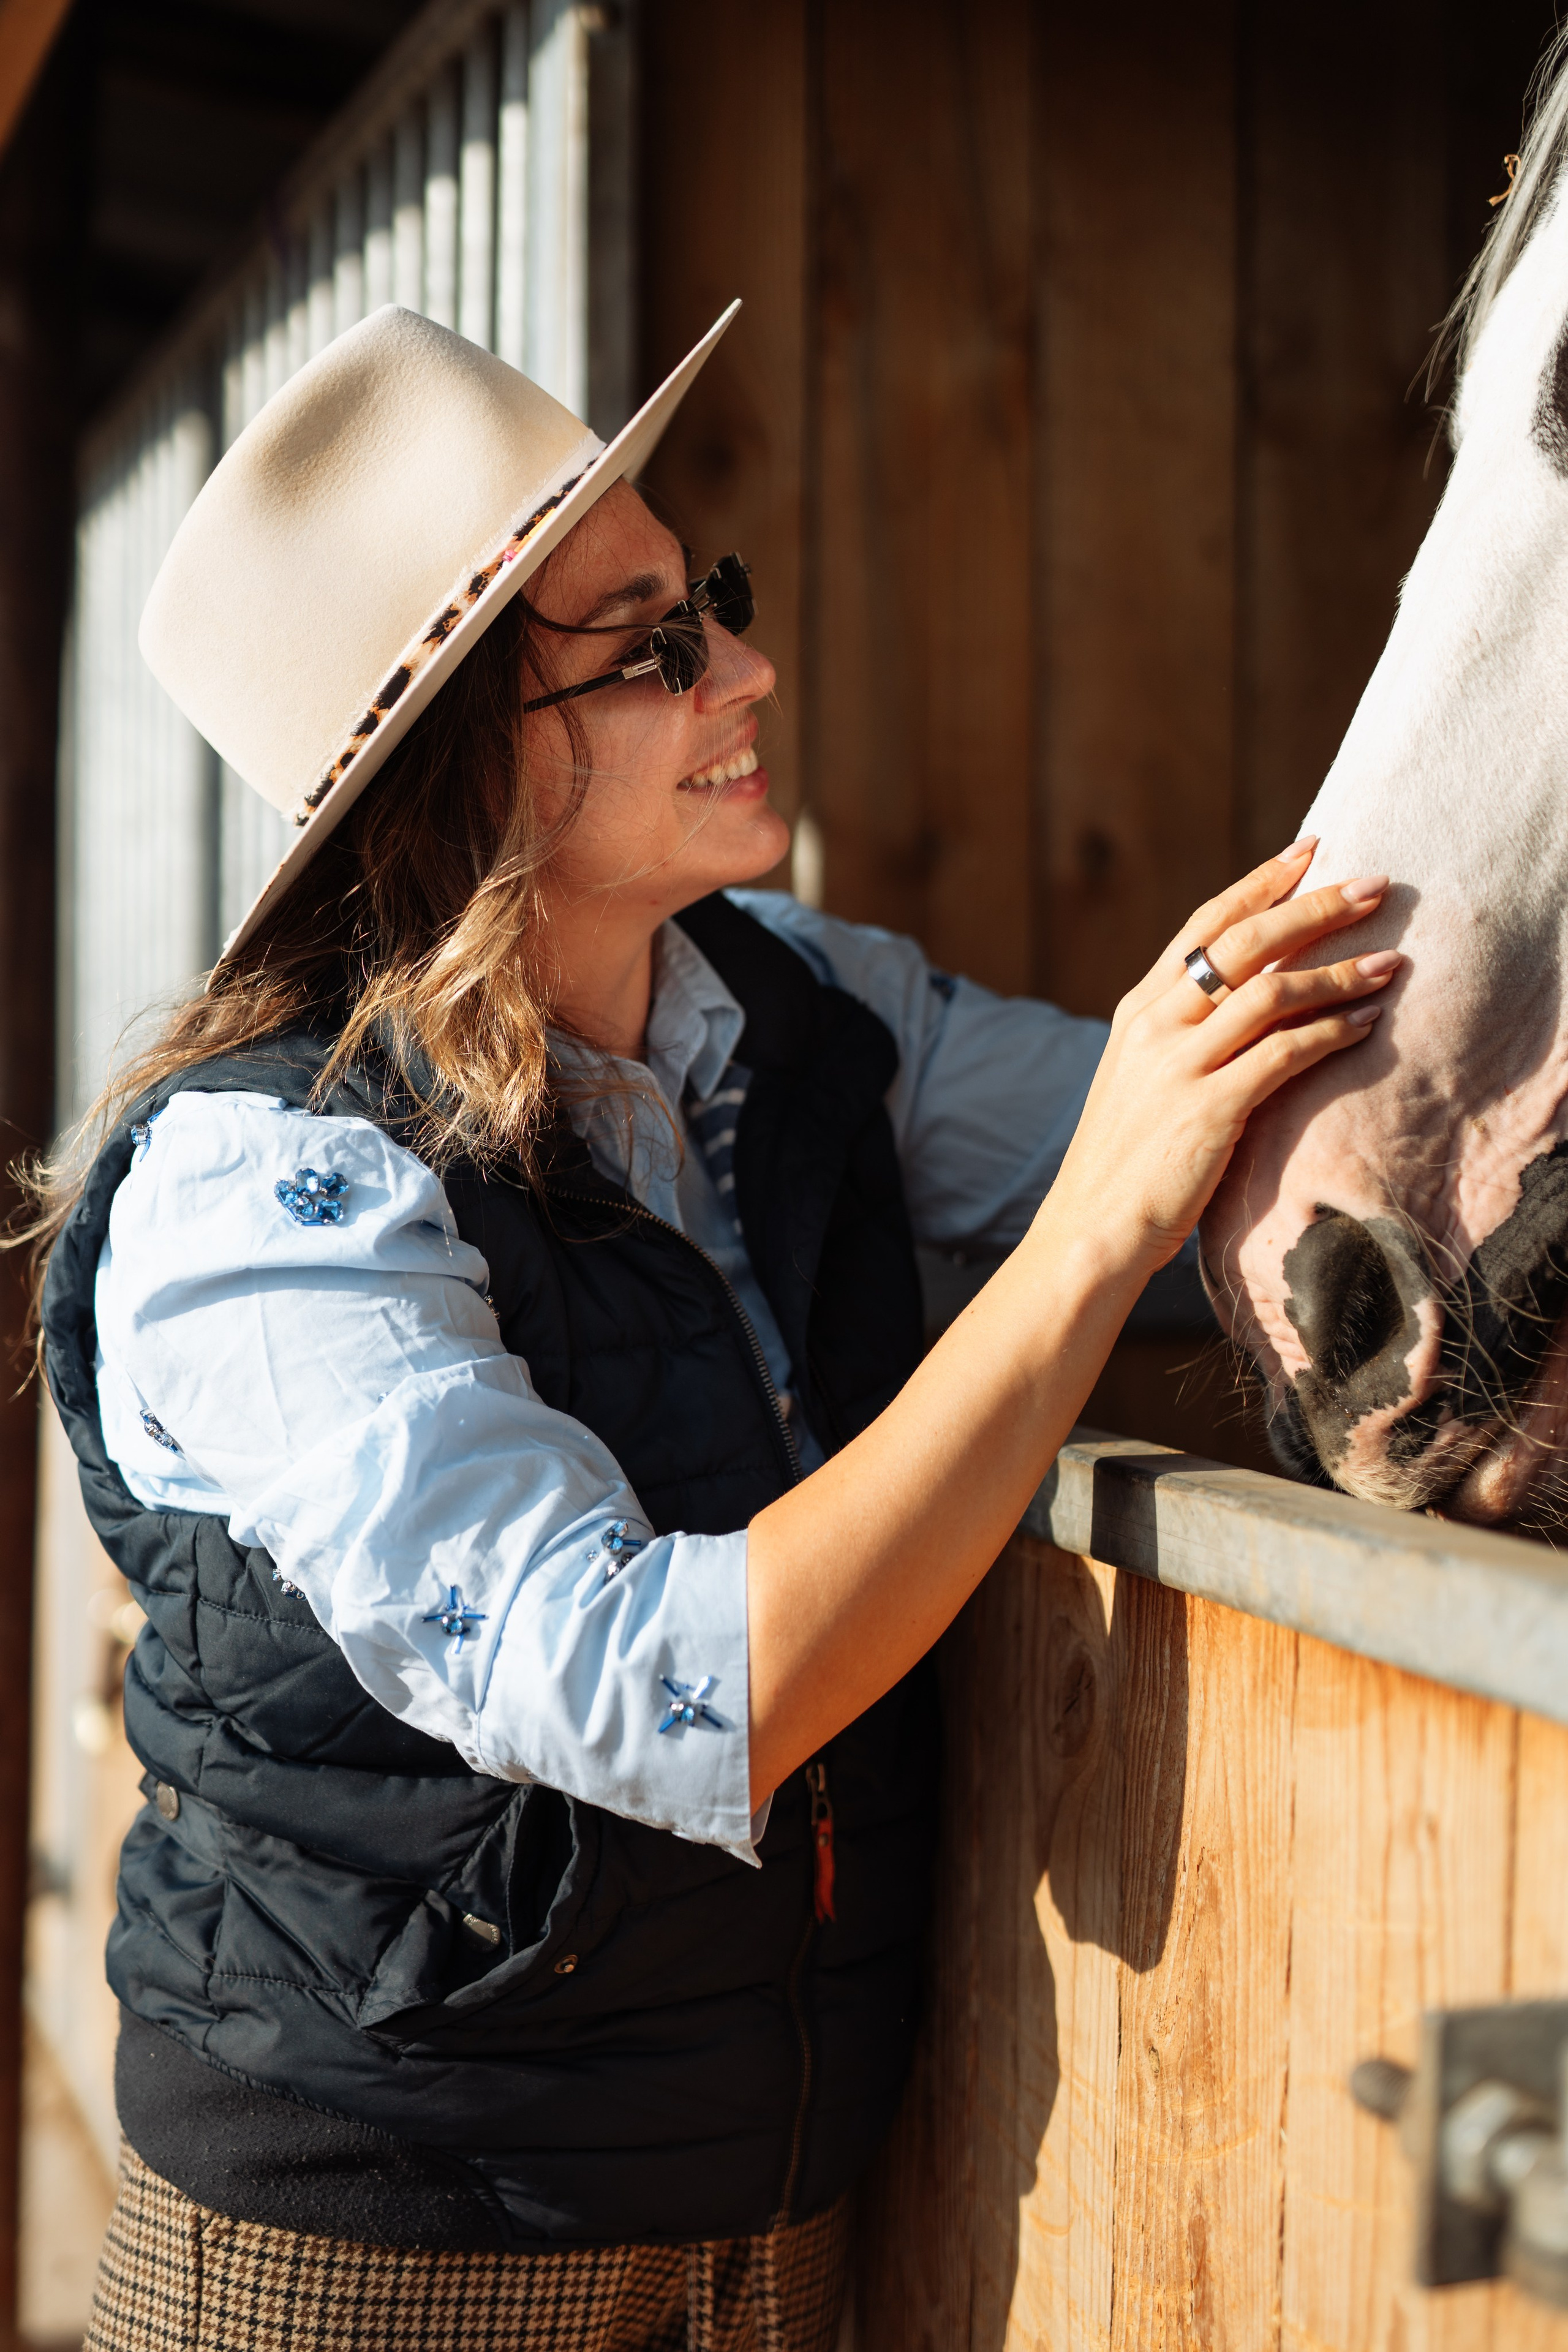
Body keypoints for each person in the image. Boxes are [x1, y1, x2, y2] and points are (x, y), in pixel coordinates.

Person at [32, 304, 1397, 2352]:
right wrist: (1094, 1229)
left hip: (777, 2205)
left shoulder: (794, 1012)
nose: (746, 672)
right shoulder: (269, 1197)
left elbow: (1253, 1140)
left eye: (714, 602)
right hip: (377, 2248)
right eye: (650, 644)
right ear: (459, 763)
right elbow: (659, 1691)